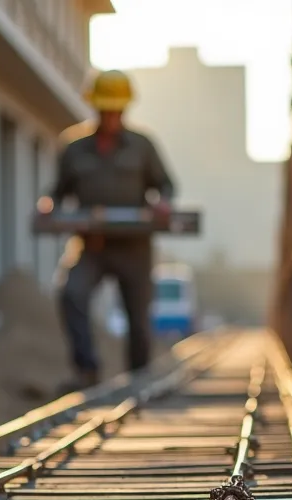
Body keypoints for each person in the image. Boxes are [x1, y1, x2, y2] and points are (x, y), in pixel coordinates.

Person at [44, 69, 177, 394]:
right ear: (95, 108)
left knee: (138, 315)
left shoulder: (143, 146)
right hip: (93, 246)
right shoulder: (74, 149)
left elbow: (166, 185)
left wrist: (162, 203)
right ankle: (86, 370)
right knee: (72, 293)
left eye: (116, 111)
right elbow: (58, 193)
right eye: (105, 111)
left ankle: (139, 378)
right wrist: (47, 205)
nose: (111, 117)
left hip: (135, 247)